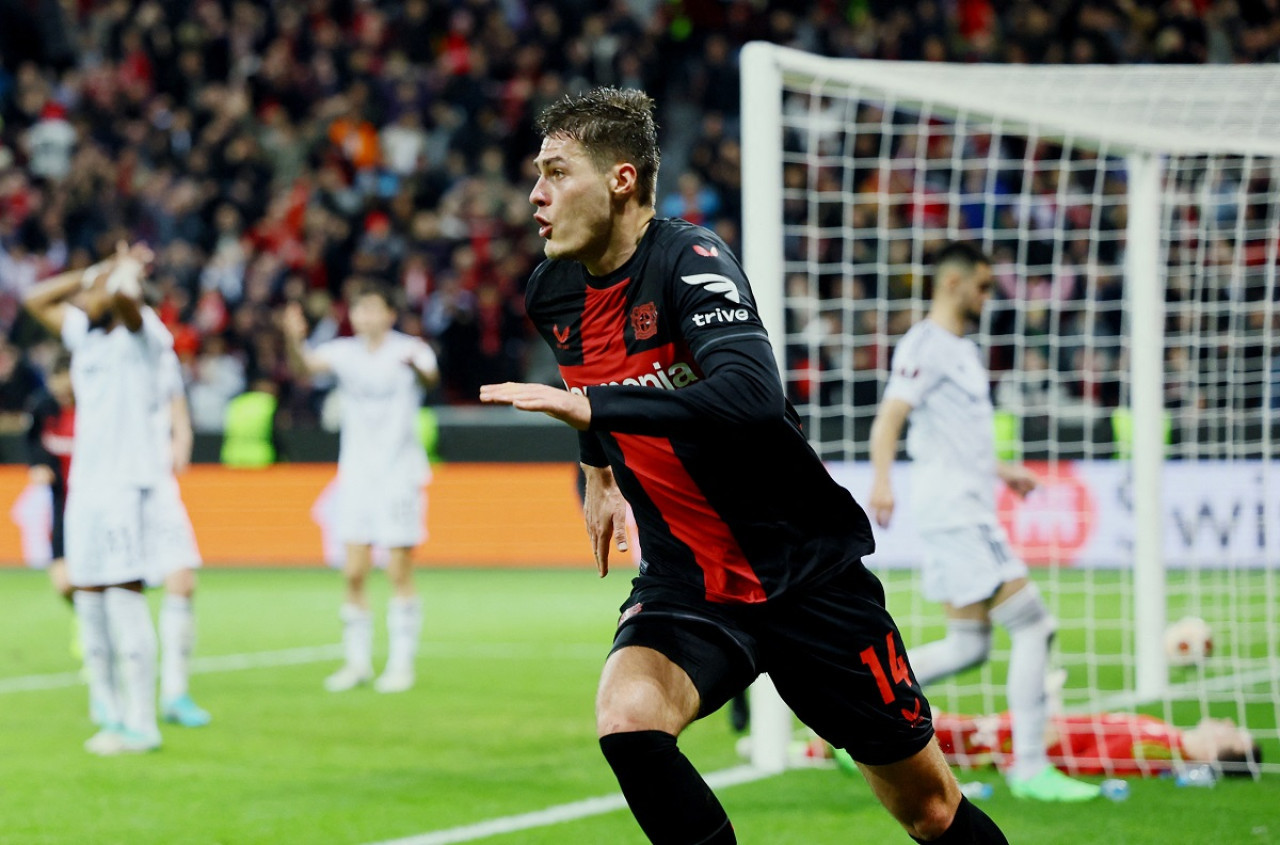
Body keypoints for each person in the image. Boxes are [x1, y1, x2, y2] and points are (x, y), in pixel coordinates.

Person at [481, 87, 1008, 845]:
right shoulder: (553, 291)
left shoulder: (690, 262)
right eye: (538, 174)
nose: (536, 195)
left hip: (805, 572)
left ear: (621, 180)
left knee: (928, 808)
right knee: (627, 716)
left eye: (557, 173)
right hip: (687, 577)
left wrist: (596, 416)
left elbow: (752, 396)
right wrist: (597, 466)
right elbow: (586, 381)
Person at [867, 241, 1099, 802]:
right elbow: (890, 416)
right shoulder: (926, 343)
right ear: (953, 284)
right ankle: (1030, 767)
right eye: (983, 285)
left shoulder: (963, 350)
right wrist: (880, 480)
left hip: (967, 504)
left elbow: (951, 439)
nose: (988, 296)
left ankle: (865, 719)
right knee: (1034, 627)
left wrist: (1003, 471)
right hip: (958, 514)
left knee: (969, 644)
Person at [22, 243, 169, 755]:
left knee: (125, 600)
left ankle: (142, 722)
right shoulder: (84, 339)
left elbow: (128, 305)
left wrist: (123, 274)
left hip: (125, 486)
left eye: (95, 291)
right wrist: (96, 271)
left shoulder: (145, 333)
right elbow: (35, 299)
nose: (86, 296)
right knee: (88, 601)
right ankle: (108, 711)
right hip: (84, 488)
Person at [282, 281, 440, 694]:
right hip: (356, 477)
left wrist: (418, 372)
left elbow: (430, 378)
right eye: (359, 309)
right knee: (353, 572)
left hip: (399, 476)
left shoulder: (410, 349)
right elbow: (305, 369)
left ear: (390, 313)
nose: (365, 316)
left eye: (373, 308)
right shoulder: (344, 352)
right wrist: (293, 339)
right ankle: (356, 663)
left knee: (398, 570)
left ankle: (401, 664)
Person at [146, 348, 212, 727]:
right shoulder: (98, 346)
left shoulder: (160, 352)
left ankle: (175, 693)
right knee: (120, 591)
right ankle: (112, 693)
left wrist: (182, 436)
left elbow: (176, 405)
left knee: (183, 582)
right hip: (116, 487)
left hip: (159, 487)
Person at [932, 710, 1262, 778]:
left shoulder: (1157, 751)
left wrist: (1039, 751)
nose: (1229, 723)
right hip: (1030, 725)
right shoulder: (1168, 735)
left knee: (928, 727)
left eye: (1233, 734)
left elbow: (1095, 762)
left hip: (1026, 738)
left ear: (1215, 753)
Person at [24, 352, 75, 605]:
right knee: (63, 581)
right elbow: (32, 442)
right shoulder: (42, 407)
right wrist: (38, 465)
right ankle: (87, 620)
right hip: (62, 503)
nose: (62, 396)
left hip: (97, 501)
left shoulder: (96, 409)